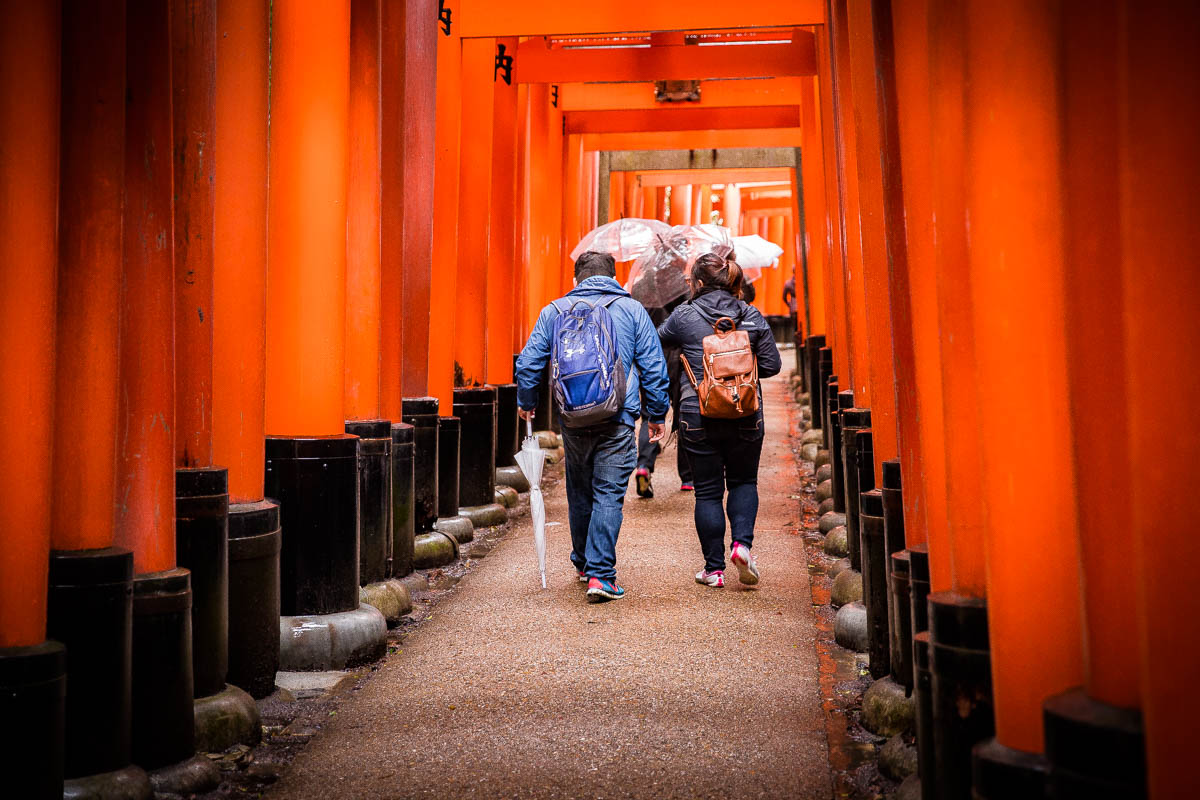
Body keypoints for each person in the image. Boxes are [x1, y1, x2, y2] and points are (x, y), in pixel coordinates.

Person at [516, 251, 670, 603]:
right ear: (615, 277)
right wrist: (656, 415)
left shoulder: (554, 311)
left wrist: (528, 402)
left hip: (571, 417)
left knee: (580, 489)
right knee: (608, 493)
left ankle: (584, 563)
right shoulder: (632, 311)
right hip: (617, 416)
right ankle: (601, 575)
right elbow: (652, 364)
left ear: (577, 279)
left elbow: (529, 362)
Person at [657, 253, 782, 589]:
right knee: (743, 481)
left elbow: (658, 340)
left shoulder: (684, 315)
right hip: (745, 412)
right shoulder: (750, 315)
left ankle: (713, 570)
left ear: (697, 283)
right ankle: (742, 546)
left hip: (697, 412)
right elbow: (772, 366)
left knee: (708, 492)